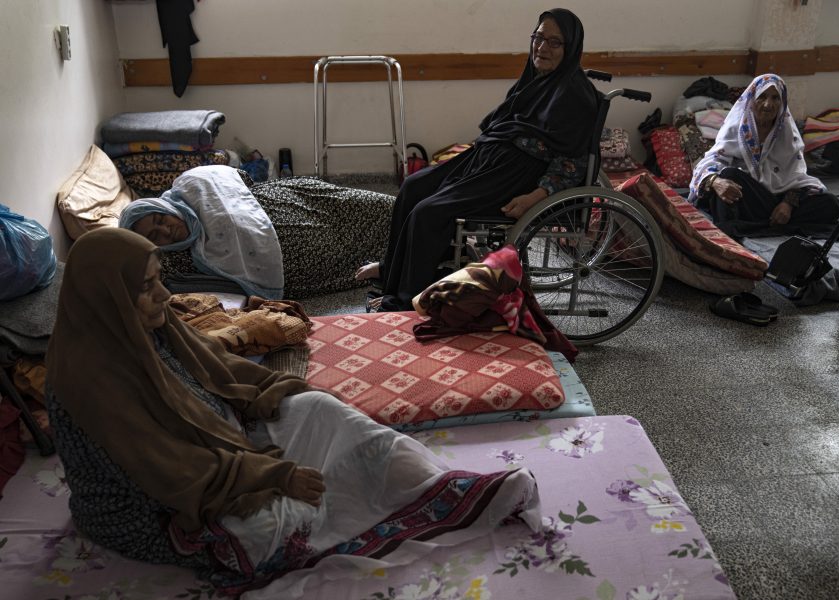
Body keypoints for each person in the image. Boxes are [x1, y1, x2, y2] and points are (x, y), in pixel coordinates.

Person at [45, 228, 540, 596]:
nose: (164, 295)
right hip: (159, 506)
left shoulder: (147, 324)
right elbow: (163, 469)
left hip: (219, 440)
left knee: (317, 408)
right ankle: (362, 514)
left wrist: (281, 391)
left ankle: (437, 489)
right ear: (110, 295)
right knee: (265, 526)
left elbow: (219, 368)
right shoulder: (90, 378)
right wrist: (273, 476)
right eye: (147, 286)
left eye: (160, 280)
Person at [357, 8, 598, 311]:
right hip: (490, 161)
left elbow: (572, 164)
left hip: (517, 178)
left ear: (571, 47)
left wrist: (533, 198)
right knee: (413, 187)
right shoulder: (536, 82)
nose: (541, 47)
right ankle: (393, 268)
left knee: (428, 213)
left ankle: (407, 299)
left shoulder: (576, 96)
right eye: (538, 37)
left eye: (554, 42)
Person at [121, 166, 395, 300]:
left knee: (392, 209)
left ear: (163, 204)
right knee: (388, 259)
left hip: (308, 202)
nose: (165, 230)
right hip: (318, 262)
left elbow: (241, 177)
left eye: (160, 218)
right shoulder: (175, 262)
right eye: (155, 236)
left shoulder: (192, 185)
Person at [688, 73, 839, 239]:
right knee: (729, 175)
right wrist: (716, 182)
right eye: (762, 97)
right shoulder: (737, 129)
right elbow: (711, 161)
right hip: (746, 198)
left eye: (775, 98)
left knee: (831, 204)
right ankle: (760, 226)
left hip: (775, 201)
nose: (768, 105)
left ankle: (753, 226)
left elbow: (797, 176)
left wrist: (788, 204)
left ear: (782, 102)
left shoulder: (787, 135)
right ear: (751, 100)